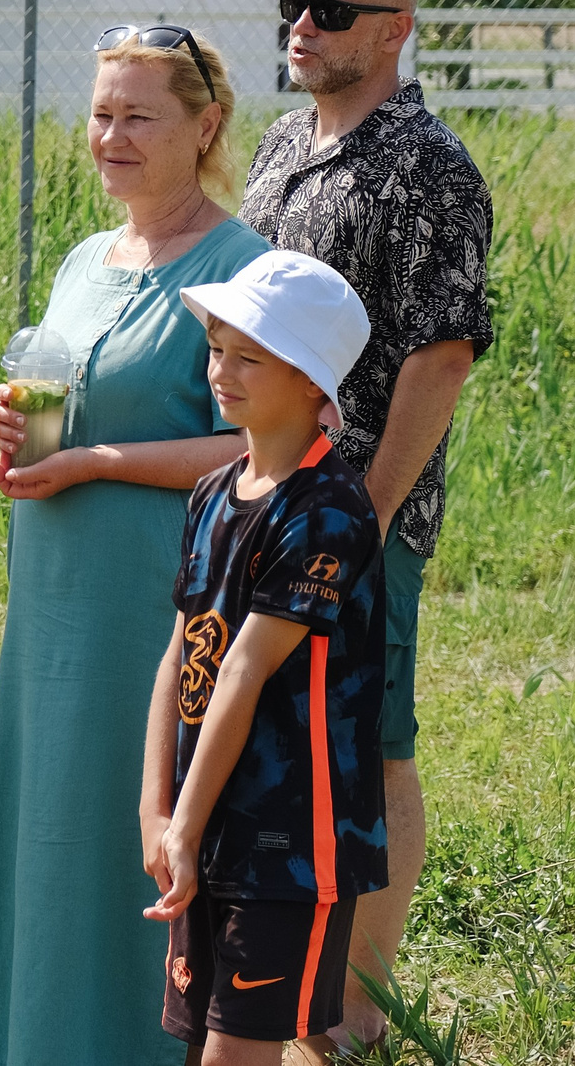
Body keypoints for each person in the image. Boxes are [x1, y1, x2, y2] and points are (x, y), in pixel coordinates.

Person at [0, 24, 269, 1066]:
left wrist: (97, 462)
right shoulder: (89, 257)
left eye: (139, 115)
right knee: (46, 823)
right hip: (52, 593)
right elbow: (64, 395)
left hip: (151, 598)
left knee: (123, 824)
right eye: (99, 114)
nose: (110, 136)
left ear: (205, 125)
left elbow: (265, 442)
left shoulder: (242, 266)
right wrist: (22, 429)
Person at [238, 0, 491, 1051]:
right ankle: (275, 979)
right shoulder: (282, 143)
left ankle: (355, 1009)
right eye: (292, 2)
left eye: (331, 11)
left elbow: (441, 354)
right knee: (268, 737)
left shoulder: (428, 166)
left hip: (354, 513)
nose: (302, 22)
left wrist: (366, 518)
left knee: (370, 745)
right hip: (256, 495)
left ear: (393, 30)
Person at [143, 251, 385, 1064]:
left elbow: (243, 670)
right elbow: (183, 653)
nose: (222, 369)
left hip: (291, 845)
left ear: (316, 383)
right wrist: (160, 810)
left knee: (233, 1055)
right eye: (217, 346)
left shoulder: (330, 511)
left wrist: (189, 817)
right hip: (205, 827)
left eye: (250, 353)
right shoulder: (213, 492)